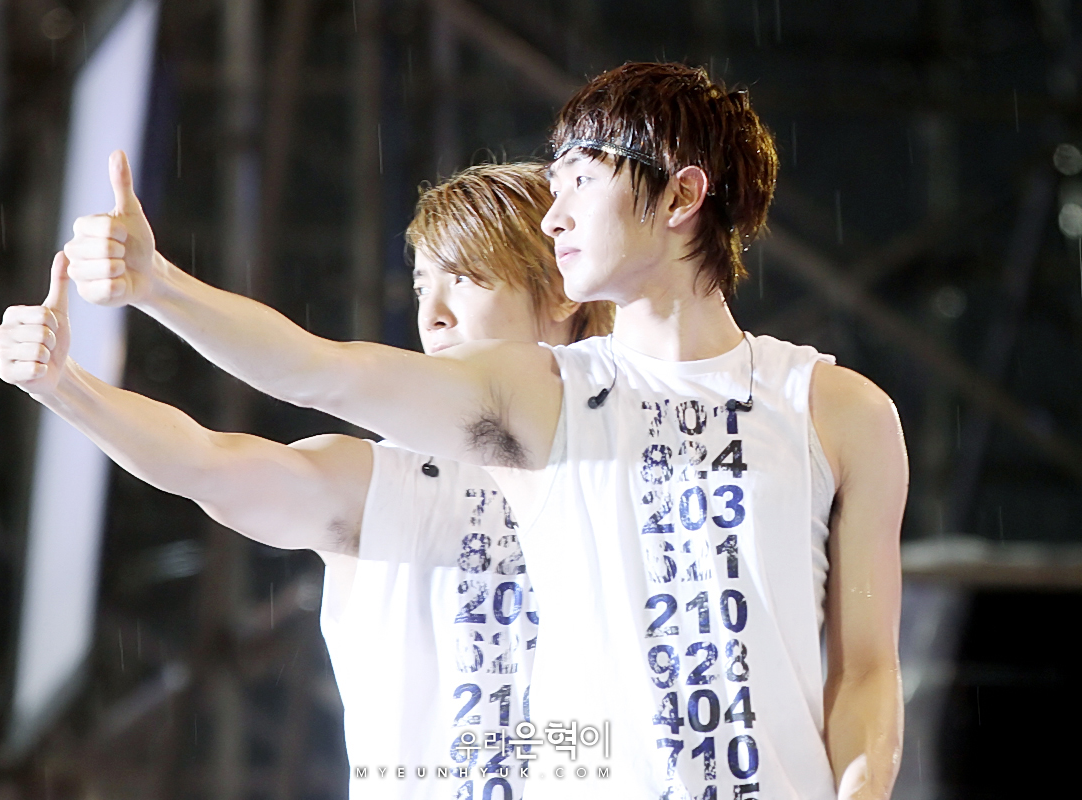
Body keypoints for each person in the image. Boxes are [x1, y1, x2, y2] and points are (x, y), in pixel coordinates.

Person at [56, 63, 905, 800]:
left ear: (682, 196)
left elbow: (867, 671)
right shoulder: (544, 398)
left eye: (580, 182)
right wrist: (158, 288)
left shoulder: (843, 413)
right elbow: (314, 373)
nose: (554, 216)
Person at [0, 163, 613, 800]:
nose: (433, 315)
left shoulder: (635, 460)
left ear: (562, 289)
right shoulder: (385, 486)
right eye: (422, 284)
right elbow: (205, 463)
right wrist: (68, 384)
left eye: (464, 278)